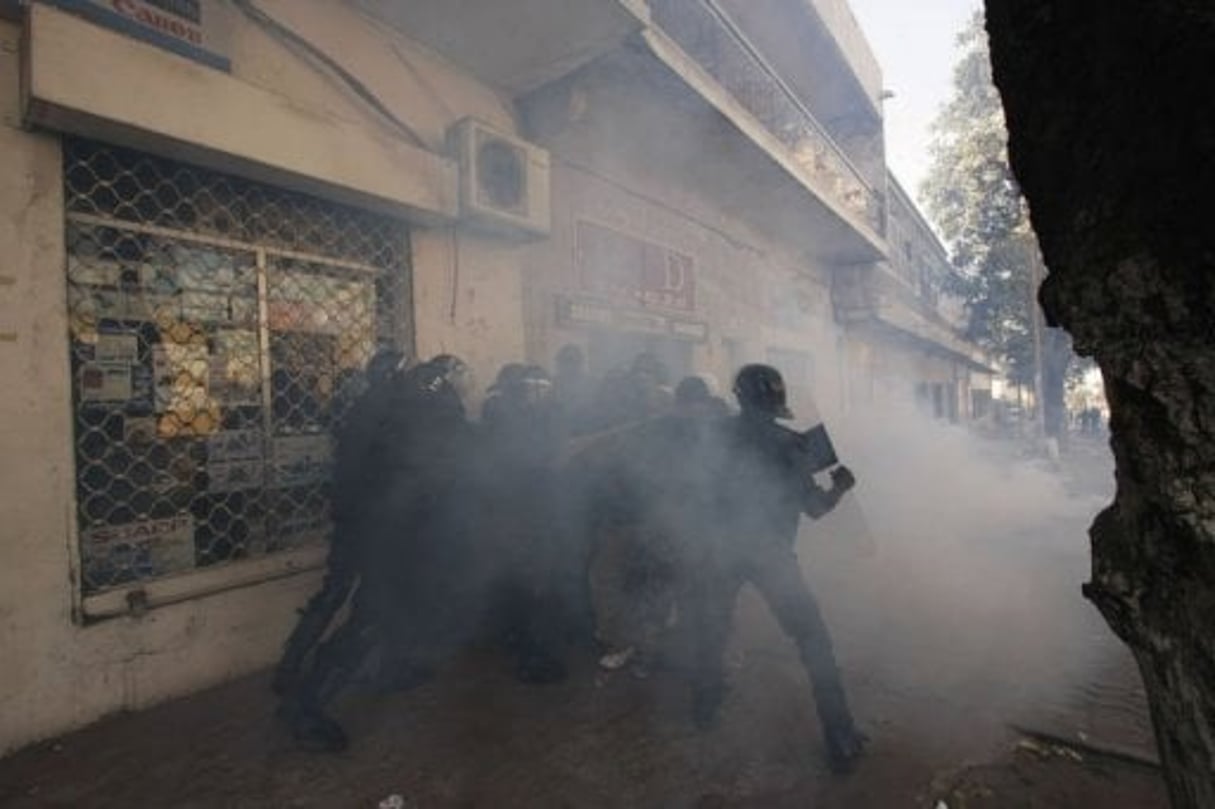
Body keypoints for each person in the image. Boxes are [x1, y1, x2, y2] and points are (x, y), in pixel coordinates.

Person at [277, 354, 477, 752]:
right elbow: (445, 468)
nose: (469, 383)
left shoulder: (383, 399)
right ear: (451, 376)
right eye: (464, 375)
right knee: (372, 614)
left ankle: (383, 669)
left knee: (370, 603)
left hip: (366, 519)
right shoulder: (436, 404)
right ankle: (304, 707)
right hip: (391, 526)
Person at [687, 363, 866, 774]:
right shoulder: (792, 445)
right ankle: (840, 738)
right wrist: (841, 486)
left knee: (712, 630)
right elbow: (815, 509)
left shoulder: (714, 438)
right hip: (771, 556)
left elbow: (695, 495)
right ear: (777, 400)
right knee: (814, 642)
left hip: (722, 552)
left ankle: (704, 707)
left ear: (738, 396)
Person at [270, 347, 407, 696]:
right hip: (372, 520)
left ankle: (291, 667)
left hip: (352, 517)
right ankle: (327, 680)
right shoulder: (387, 412)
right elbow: (384, 470)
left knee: (333, 593)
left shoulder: (362, 407)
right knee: (371, 599)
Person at [477, 362, 568, 683]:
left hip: (510, 514)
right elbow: (538, 465)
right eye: (536, 386)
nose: (541, 392)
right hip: (523, 514)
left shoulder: (500, 415)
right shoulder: (515, 421)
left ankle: (515, 642)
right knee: (530, 585)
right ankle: (530, 657)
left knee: (515, 583)